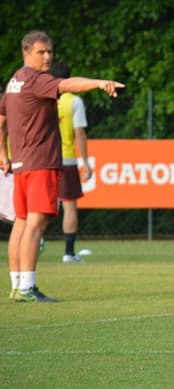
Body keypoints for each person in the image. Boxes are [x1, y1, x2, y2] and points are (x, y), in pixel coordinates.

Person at [0, 31, 125, 302]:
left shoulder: (14, 81)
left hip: (21, 164)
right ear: (26, 52)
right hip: (41, 162)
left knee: (21, 225)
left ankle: (17, 286)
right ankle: (27, 287)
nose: (47, 57)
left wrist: (3, 152)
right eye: (41, 52)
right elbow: (69, 84)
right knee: (35, 224)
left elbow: (1, 118)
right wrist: (99, 83)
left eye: (50, 52)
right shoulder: (37, 80)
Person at [49, 62, 92, 263]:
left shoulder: (43, 98)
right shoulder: (73, 101)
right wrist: (86, 162)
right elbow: (79, 133)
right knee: (70, 207)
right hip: (65, 159)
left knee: (35, 209)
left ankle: (33, 245)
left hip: (43, 159)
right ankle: (69, 253)